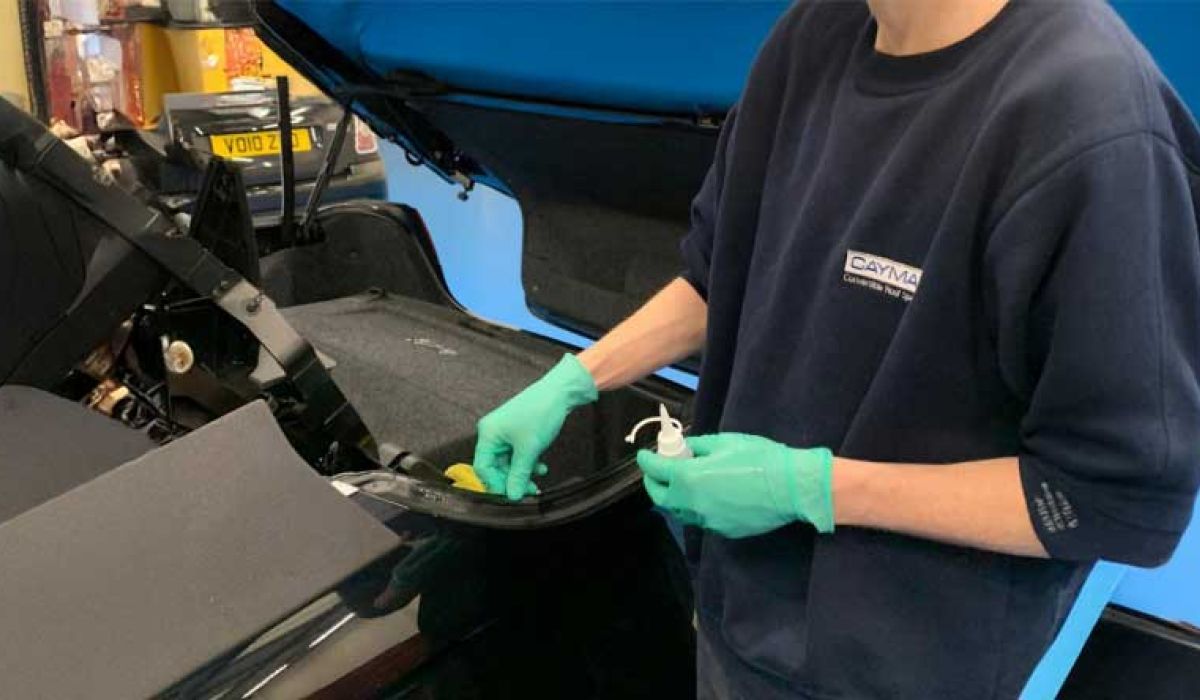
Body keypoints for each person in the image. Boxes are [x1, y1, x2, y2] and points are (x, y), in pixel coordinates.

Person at [470, 0, 1200, 697]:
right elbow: (717, 274)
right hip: (740, 614)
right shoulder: (811, 36)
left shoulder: (1088, 121)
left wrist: (810, 489)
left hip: (906, 666)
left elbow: (1106, 497)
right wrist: (574, 379)